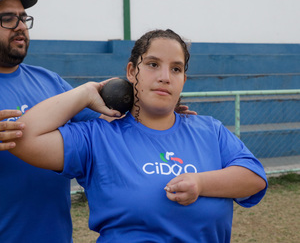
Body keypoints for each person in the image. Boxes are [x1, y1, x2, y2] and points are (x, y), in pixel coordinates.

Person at [8, 29, 267, 242]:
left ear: (184, 80)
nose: (165, 77)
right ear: (132, 72)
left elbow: (254, 177)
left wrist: (201, 184)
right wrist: (86, 92)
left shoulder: (209, 130)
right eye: (153, 64)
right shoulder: (98, 138)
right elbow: (22, 137)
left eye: (176, 69)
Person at [0, 0, 101, 242]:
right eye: (8, 19)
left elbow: (107, 126)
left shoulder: (50, 82)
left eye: (23, 18)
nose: (21, 26)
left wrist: (156, 111)